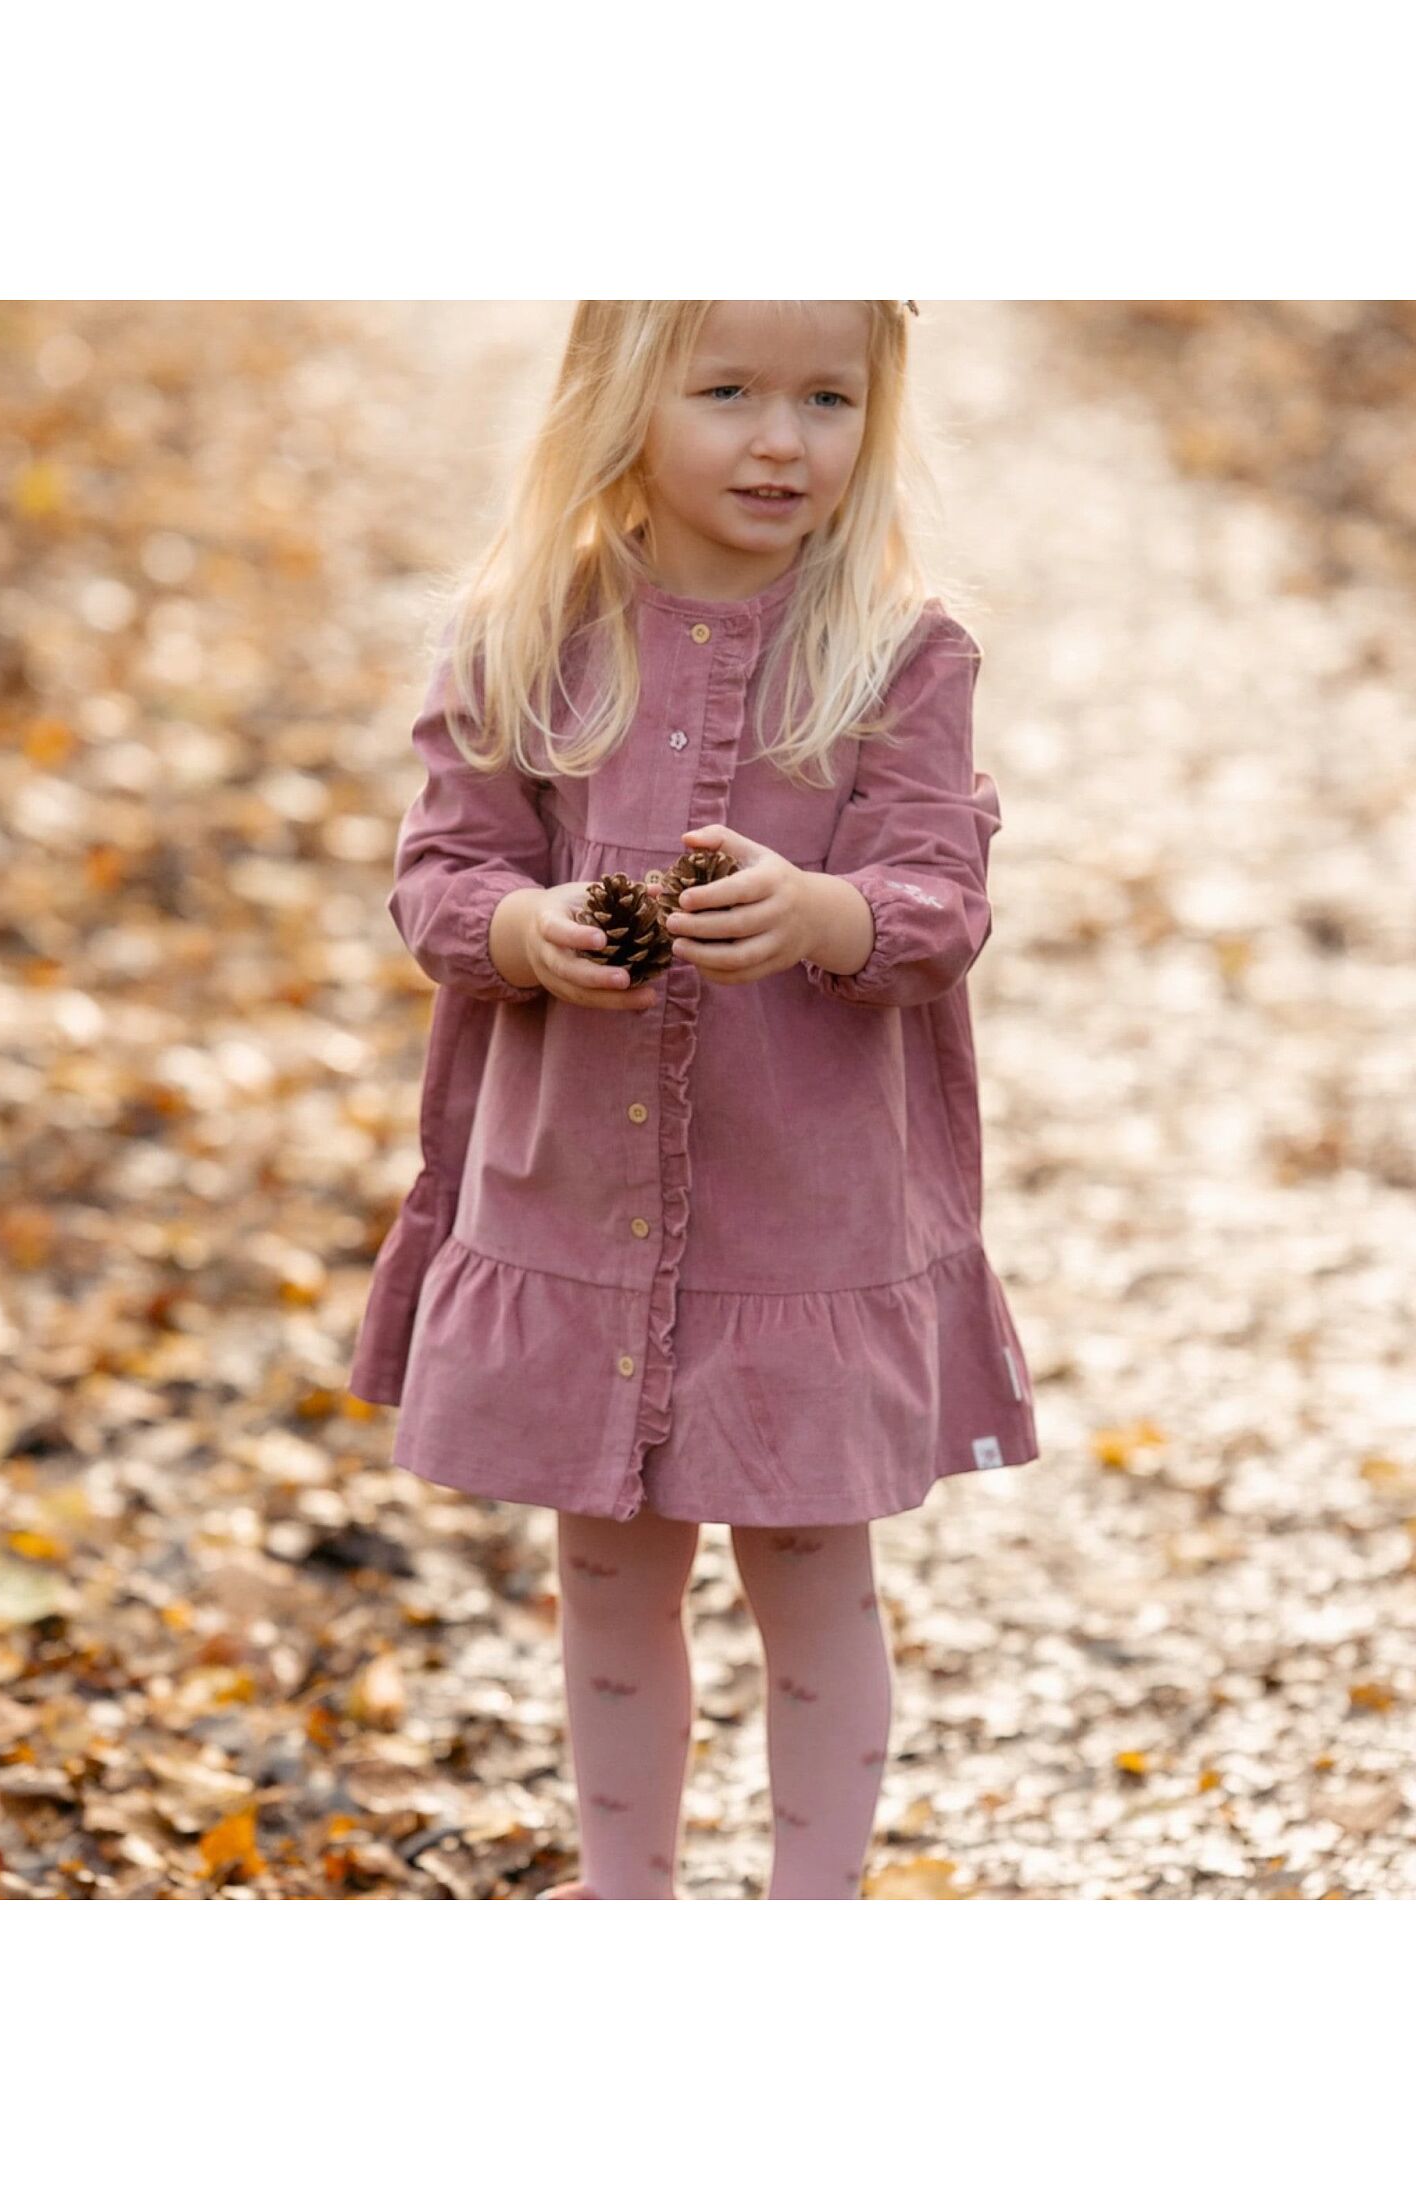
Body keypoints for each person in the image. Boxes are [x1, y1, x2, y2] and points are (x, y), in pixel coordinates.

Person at [349, 301, 1041, 1899]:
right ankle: (628, 1900)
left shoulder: (899, 648)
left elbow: (941, 894)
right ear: (621, 400)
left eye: (827, 397)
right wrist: (522, 928)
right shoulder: (528, 631)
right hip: (578, 1193)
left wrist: (829, 914)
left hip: (798, 1211)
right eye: (727, 392)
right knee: (606, 1567)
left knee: (807, 1561)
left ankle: (809, 1911)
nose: (783, 438)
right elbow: (444, 875)